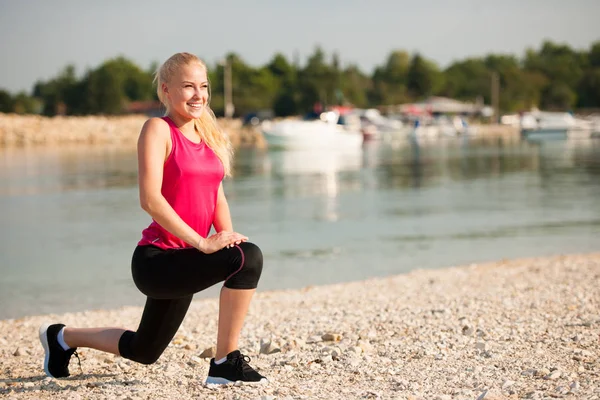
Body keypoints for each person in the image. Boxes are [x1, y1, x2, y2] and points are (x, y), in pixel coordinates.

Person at [38, 52, 267, 385]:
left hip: (187, 257)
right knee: (250, 258)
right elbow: (150, 199)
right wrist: (203, 243)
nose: (198, 94)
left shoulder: (208, 137)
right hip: (157, 261)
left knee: (144, 351)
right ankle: (224, 363)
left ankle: (61, 337)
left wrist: (226, 236)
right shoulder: (157, 129)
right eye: (188, 86)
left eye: (203, 86)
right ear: (166, 90)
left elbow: (215, 192)